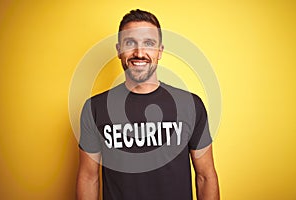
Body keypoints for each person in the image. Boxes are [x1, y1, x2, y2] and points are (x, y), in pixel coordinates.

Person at [76, 9, 219, 200]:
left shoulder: (190, 105)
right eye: (130, 43)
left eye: (149, 43)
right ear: (119, 50)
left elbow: (205, 176)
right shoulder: (95, 108)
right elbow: (88, 177)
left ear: (160, 51)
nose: (139, 52)